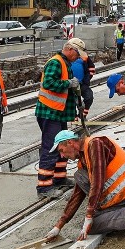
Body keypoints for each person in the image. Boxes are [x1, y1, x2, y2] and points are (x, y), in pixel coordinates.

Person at [44, 130, 125, 242]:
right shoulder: (83, 159)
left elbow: (98, 181)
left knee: (92, 223)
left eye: (62, 151)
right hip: (121, 192)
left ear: (70, 143)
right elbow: (77, 195)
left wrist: (89, 215)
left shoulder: (95, 144)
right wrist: (58, 226)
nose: (62, 155)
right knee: (93, 224)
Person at [35, 38, 86, 199]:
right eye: (77, 54)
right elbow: (49, 83)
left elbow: (67, 89)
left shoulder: (66, 64)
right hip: (49, 113)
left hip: (59, 113)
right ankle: (44, 187)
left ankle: (58, 178)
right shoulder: (55, 63)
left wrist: (78, 101)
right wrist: (68, 83)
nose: (78, 58)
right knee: (51, 147)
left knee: (62, 145)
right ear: (70, 49)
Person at [71, 47, 95, 120]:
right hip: (70, 84)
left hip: (82, 83)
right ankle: (74, 117)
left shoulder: (83, 56)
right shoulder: (66, 58)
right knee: (72, 100)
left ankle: (82, 115)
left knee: (89, 97)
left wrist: (87, 79)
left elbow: (91, 67)